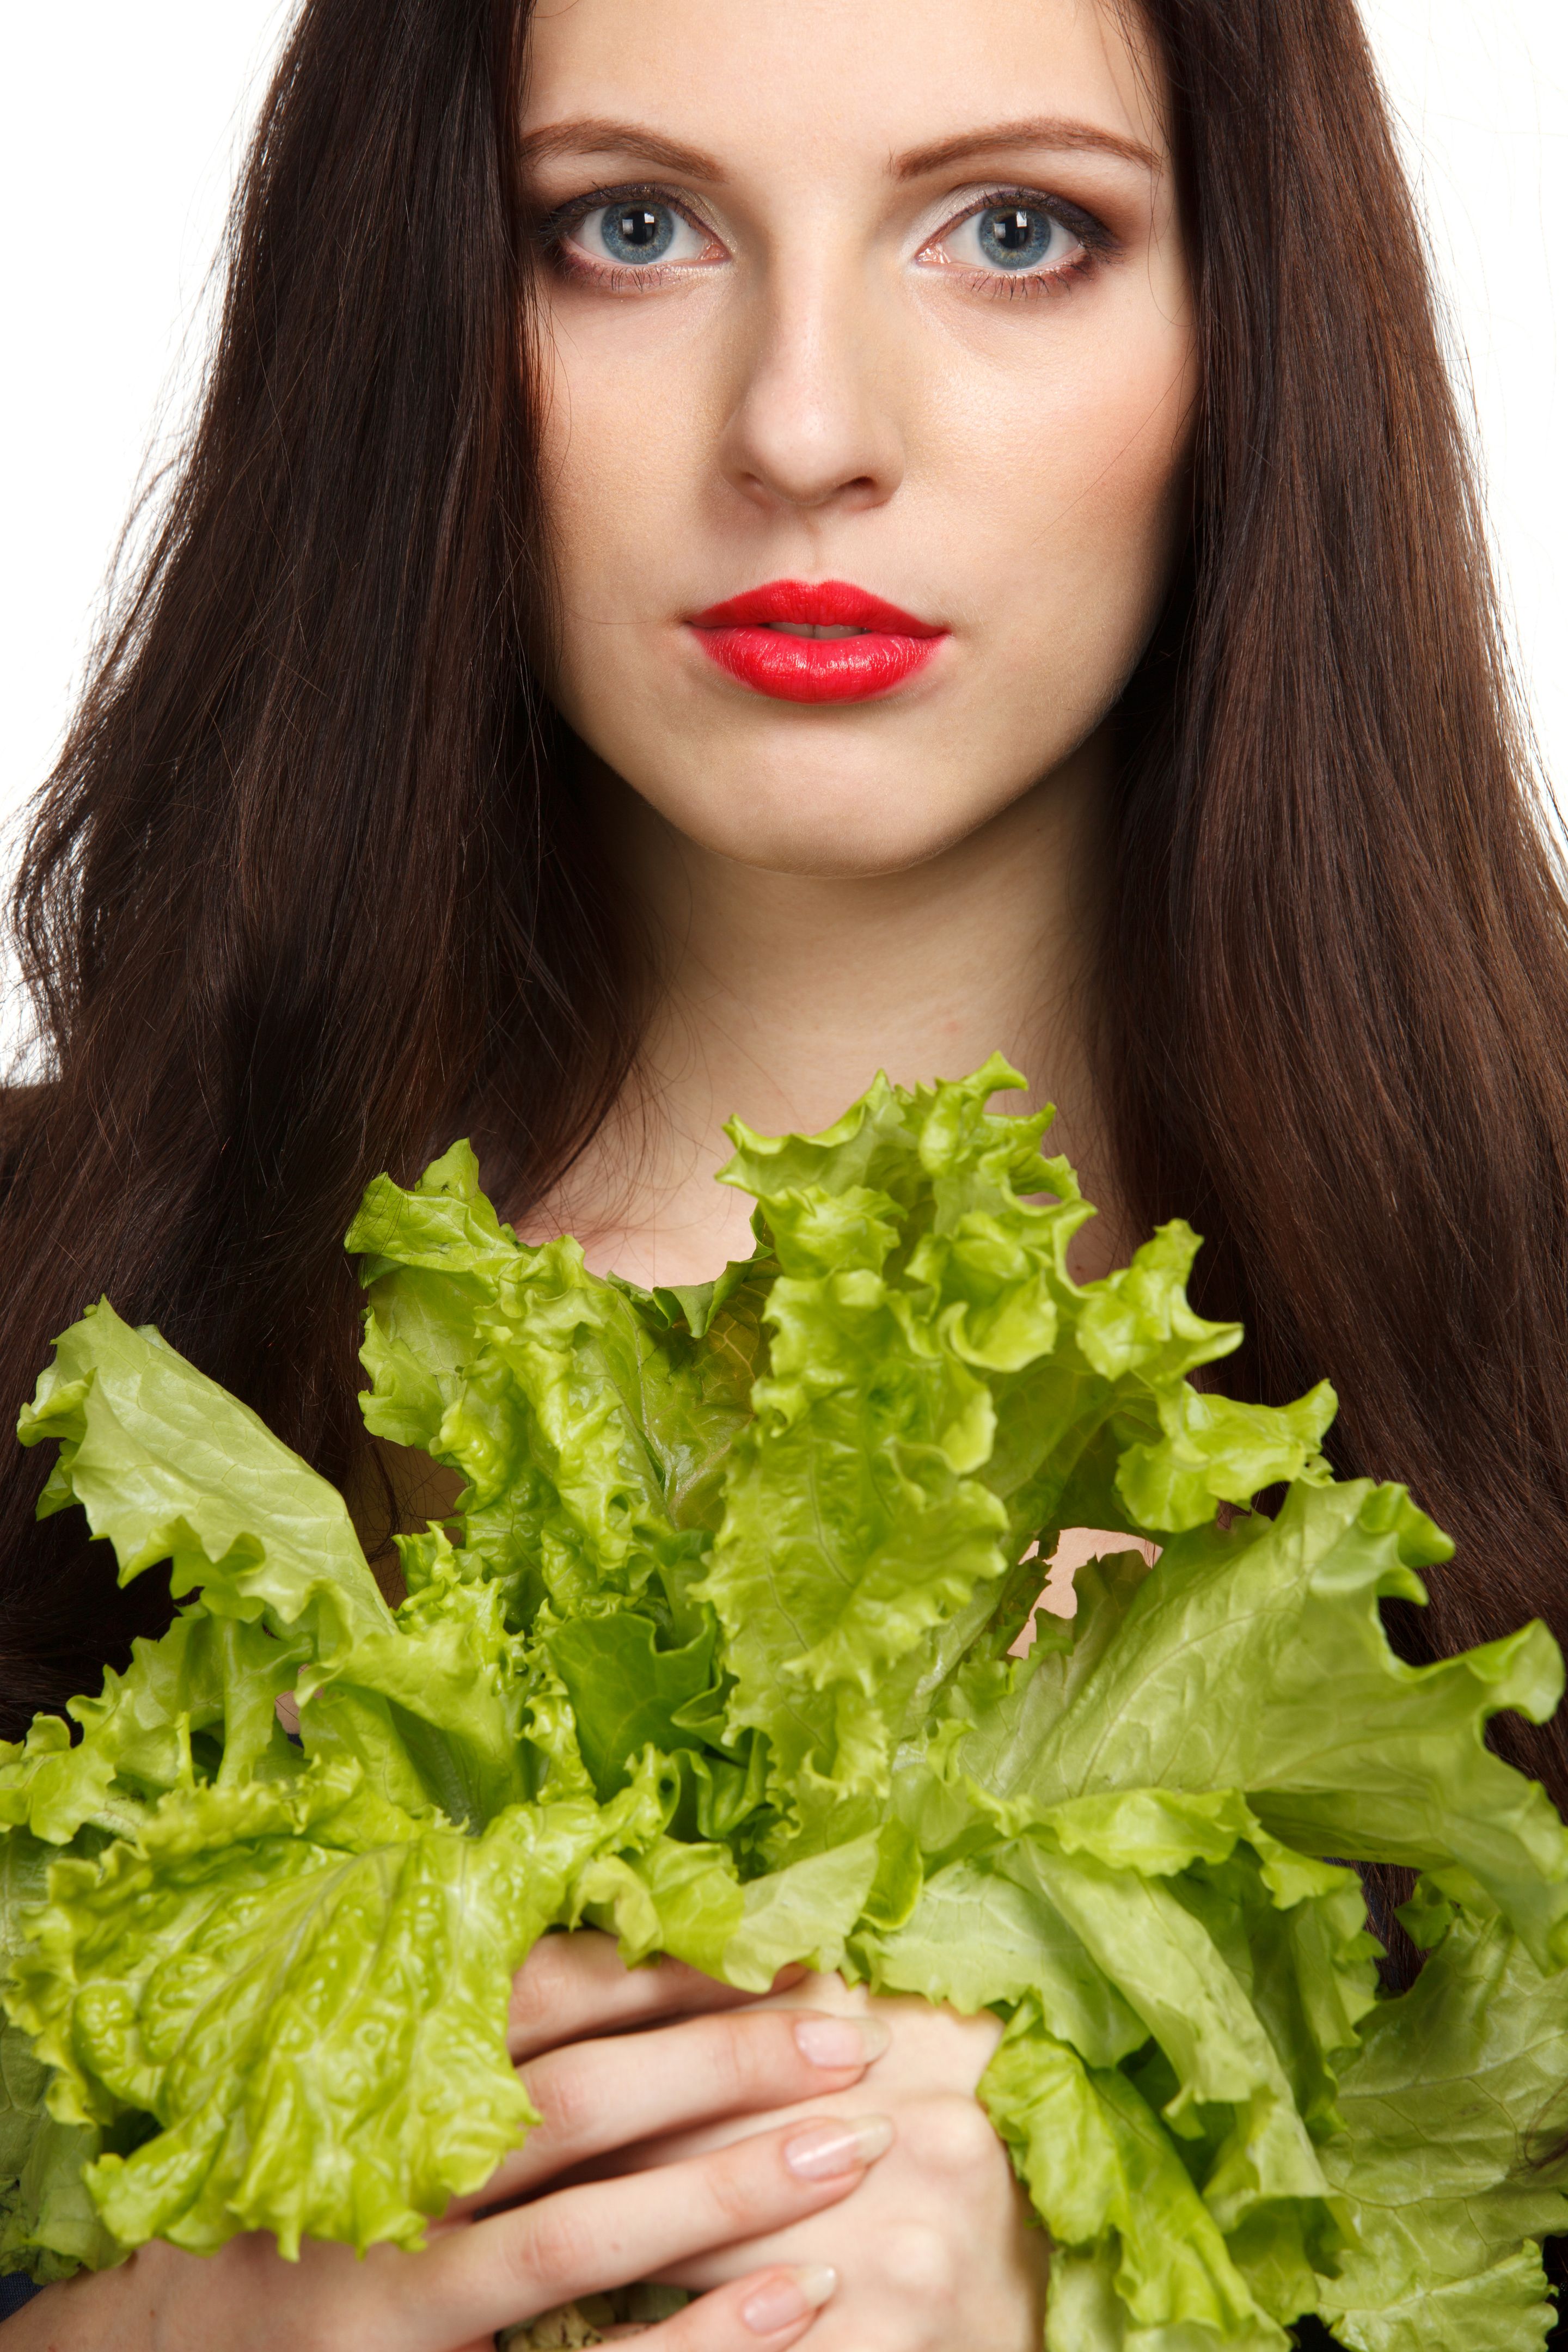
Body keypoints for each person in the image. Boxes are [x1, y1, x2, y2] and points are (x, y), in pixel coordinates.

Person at [1, 0, 1564, 2343]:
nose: (806, 432)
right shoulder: (52, 1300)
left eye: (1016, 231)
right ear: (412, 314)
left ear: (1257, 330)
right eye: (626, 232)